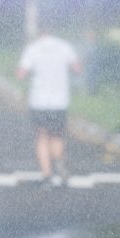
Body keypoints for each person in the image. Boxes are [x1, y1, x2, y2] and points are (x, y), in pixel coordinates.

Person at [17, 26, 81, 188]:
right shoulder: (65, 47)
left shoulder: (33, 49)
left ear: (39, 32)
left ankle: (47, 175)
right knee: (57, 135)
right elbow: (77, 69)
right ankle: (58, 161)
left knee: (42, 136)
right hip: (59, 100)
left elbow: (21, 74)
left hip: (39, 100)